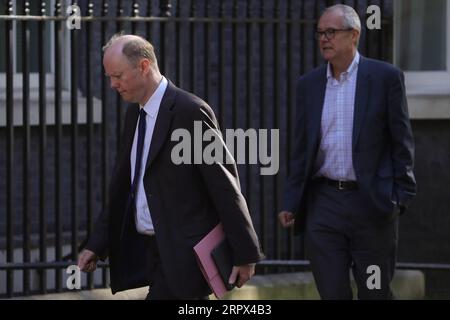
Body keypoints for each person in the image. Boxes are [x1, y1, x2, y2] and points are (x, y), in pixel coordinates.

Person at [78, 33, 264, 300]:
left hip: (185, 257)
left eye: (117, 76)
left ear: (143, 66)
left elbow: (224, 185)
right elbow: (125, 188)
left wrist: (245, 253)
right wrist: (96, 244)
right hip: (149, 251)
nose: (112, 84)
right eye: (109, 77)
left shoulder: (190, 111)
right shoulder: (135, 114)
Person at [278, 5, 416, 299]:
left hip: (373, 205)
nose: (323, 39)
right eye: (320, 33)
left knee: (375, 292)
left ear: (354, 35)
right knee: (332, 292)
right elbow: (300, 149)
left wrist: (398, 199)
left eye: (331, 32)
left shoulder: (385, 78)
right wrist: (292, 201)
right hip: (324, 205)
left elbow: (401, 141)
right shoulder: (309, 85)